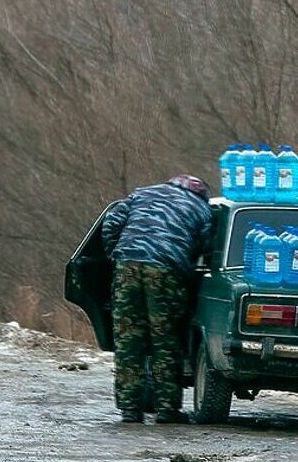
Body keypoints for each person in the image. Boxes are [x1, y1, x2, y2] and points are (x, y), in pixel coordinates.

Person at [101, 174, 213, 424]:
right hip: (166, 269)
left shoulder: (142, 192)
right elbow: (208, 248)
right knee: (166, 340)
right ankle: (167, 410)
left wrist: (115, 255)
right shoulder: (201, 208)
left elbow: (111, 222)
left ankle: (130, 409)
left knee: (128, 340)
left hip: (127, 266)